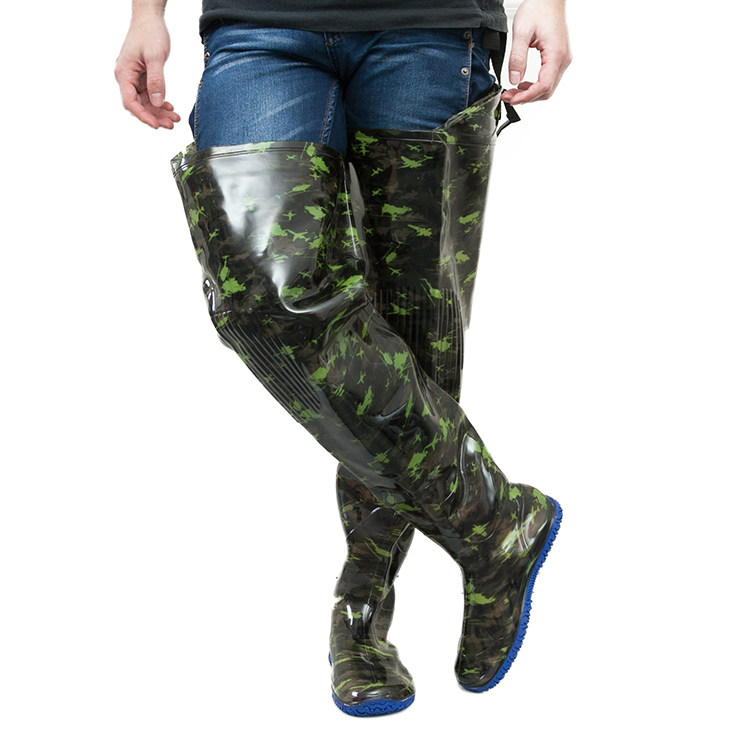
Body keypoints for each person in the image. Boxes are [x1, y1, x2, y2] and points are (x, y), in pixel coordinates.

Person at [116, 0, 571, 717]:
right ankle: (495, 522)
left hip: (431, 23)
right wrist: (146, 12)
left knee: (412, 337)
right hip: (260, 23)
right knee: (263, 297)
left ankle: (360, 619)